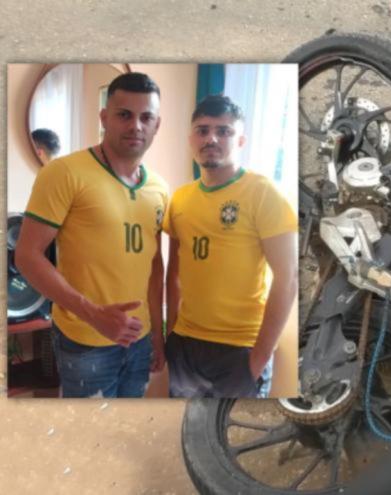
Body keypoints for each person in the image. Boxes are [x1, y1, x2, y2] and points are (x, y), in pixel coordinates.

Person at [15, 72, 168, 398]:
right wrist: (93, 314)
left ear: (157, 125)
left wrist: (158, 331)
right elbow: (27, 255)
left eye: (146, 117)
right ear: (104, 117)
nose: (136, 126)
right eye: (124, 114)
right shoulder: (63, 173)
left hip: (140, 339)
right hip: (85, 342)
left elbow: (154, 265)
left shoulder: (159, 188)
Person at [163, 94, 297, 398]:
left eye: (223, 131)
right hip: (185, 345)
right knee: (186, 424)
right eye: (203, 130)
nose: (211, 138)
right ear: (191, 139)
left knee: (234, 427)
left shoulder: (263, 193)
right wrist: (171, 333)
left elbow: (288, 279)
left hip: (240, 348)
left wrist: (258, 360)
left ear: (240, 141)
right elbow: (175, 273)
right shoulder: (180, 199)